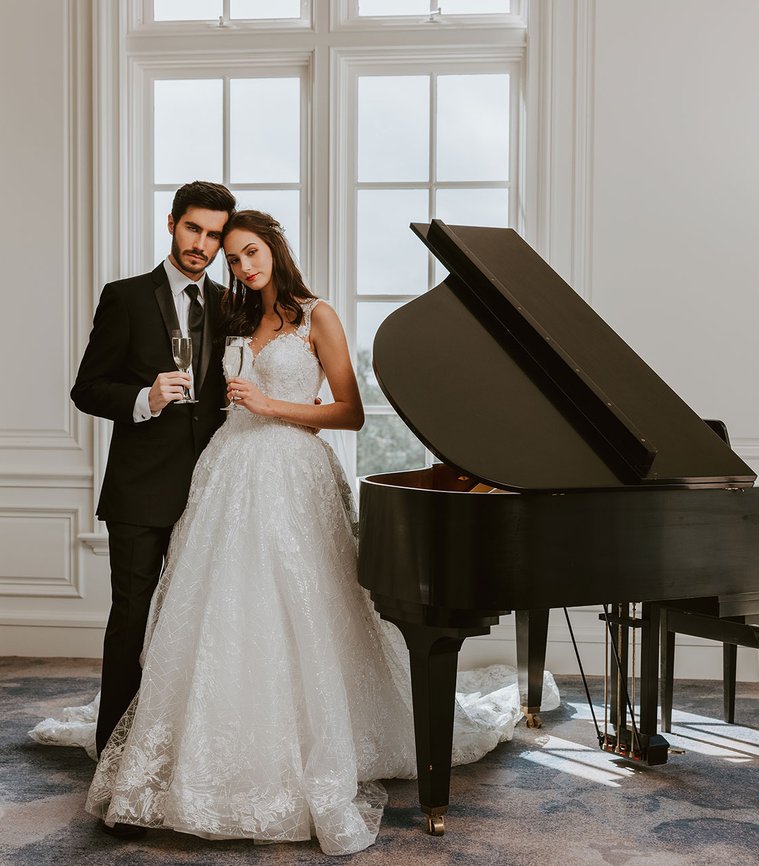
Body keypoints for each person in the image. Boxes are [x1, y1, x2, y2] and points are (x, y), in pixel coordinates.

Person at [81, 210, 558, 855]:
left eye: (253, 253)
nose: (245, 267)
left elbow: (352, 411)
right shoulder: (234, 318)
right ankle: (218, 746)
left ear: (275, 249)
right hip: (225, 471)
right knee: (224, 611)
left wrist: (272, 406)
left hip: (291, 472)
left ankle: (312, 747)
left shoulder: (316, 315)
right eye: (235, 259)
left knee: (301, 605)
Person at [69, 181, 236, 815]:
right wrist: (145, 398)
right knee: (131, 617)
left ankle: (188, 747)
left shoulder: (229, 305)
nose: (204, 245)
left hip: (213, 489)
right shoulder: (126, 297)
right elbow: (87, 389)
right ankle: (113, 748)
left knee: (200, 620)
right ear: (172, 225)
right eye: (194, 230)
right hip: (139, 488)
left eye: (215, 235)